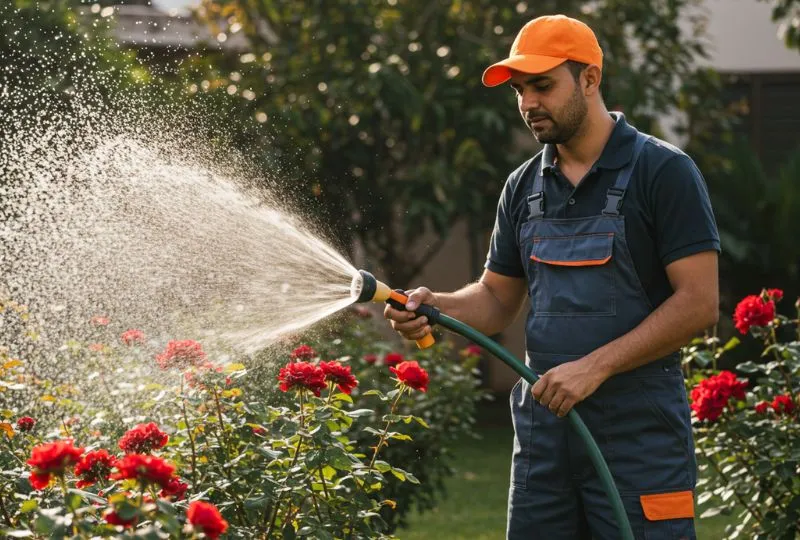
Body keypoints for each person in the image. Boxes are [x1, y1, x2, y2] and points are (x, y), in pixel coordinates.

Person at [384, 13, 720, 540]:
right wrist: (437, 306)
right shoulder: (523, 187)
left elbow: (699, 303)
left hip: (639, 436)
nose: (527, 103)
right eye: (519, 90)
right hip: (545, 438)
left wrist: (595, 368)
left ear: (589, 79)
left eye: (542, 85)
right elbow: (497, 299)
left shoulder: (663, 172)